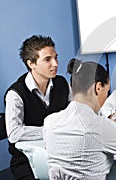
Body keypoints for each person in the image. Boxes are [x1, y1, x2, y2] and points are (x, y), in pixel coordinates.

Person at [4, 35, 71, 180]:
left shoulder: (62, 84)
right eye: (47, 59)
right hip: (27, 161)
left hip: (60, 156)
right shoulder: (15, 94)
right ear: (31, 64)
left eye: (56, 57)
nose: (55, 64)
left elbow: (73, 114)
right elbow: (14, 133)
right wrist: (52, 130)